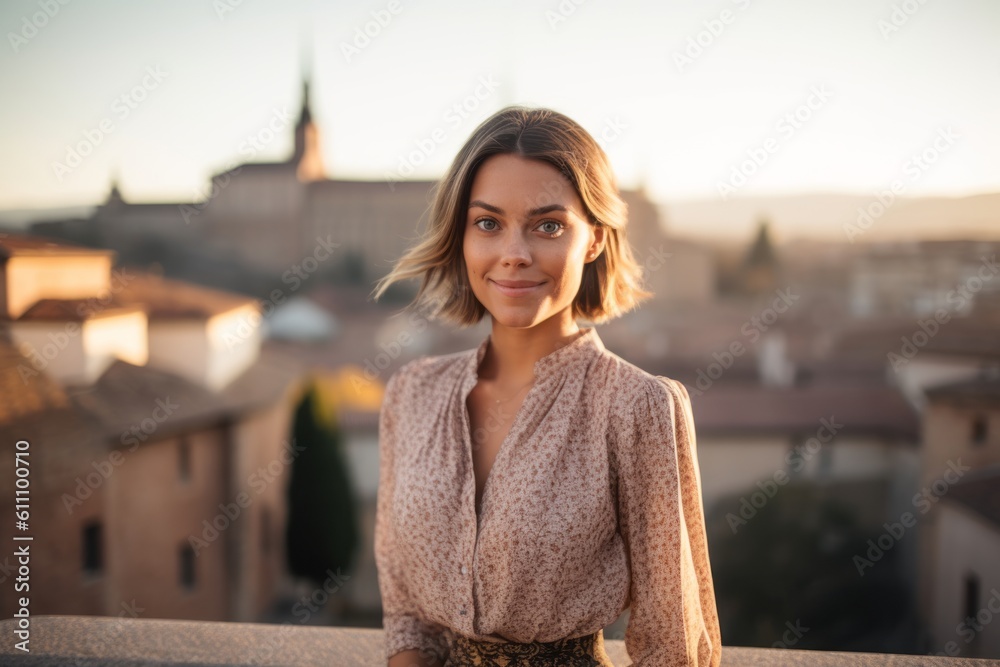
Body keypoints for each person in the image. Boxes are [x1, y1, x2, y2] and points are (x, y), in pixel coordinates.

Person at [370, 106, 722, 666]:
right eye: (488, 223)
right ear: (460, 237)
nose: (515, 253)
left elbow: (672, 645)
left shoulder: (637, 408)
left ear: (595, 241)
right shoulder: (413, 394)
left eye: (548, 225)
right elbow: (405, 611)